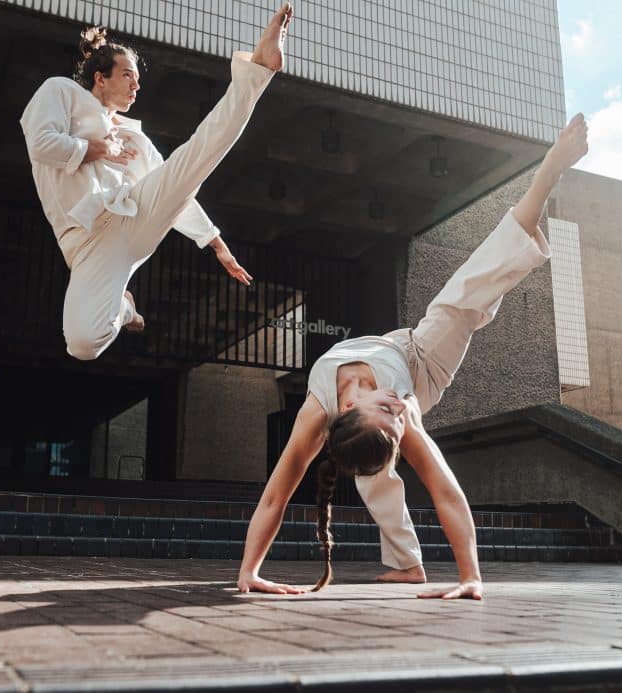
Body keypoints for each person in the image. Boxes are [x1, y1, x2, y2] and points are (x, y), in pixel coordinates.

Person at [236, 114, 590, 599]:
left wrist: (245, 574)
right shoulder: (407, 408)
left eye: (387, 412)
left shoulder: (315, 411)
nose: (398, 413)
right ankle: (549, 174)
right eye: (398, 424)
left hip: (411, 349)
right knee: (461, 303)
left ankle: (405, 566)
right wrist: (471, 578)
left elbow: (276, 492)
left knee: (369, 470)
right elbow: (446, 490)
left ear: (346, 409)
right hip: (424, 371)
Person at [19, 4, 294, 360]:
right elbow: (41, 145)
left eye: (137, 80)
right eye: (127, 76)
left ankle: (257, 68)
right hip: (88, 245)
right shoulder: (60, 92)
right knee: (83, 344)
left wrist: (215, 243)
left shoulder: (134, 138)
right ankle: (126, 308)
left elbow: (178, 188)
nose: (136, 85)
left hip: (135, 214)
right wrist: (96, 148)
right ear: (100, 78)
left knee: (196, 155)